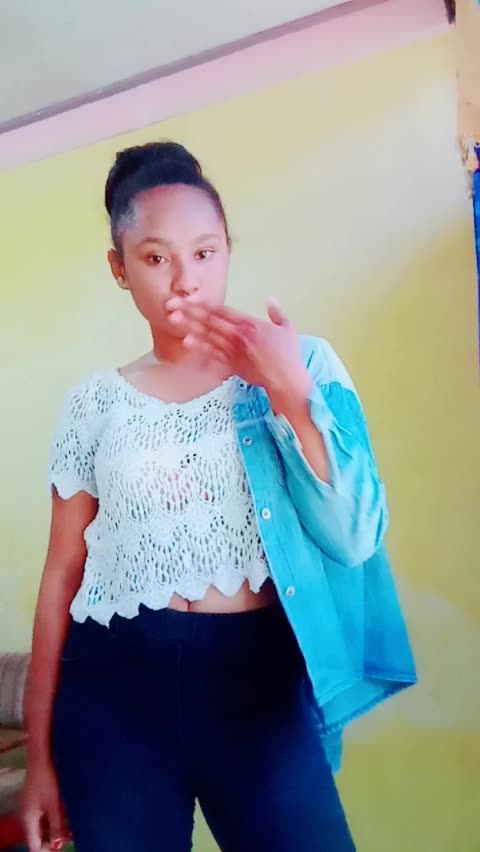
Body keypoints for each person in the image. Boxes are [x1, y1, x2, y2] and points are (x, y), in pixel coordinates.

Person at [21, 141, 416, 852]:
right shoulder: (92, 405)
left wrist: (288, 391)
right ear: (119, 268)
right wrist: (41, 760)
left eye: (204, 253)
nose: (184, 280)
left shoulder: (303, 363)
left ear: (227, 249)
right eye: (155, 258)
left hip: (258, 685)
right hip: (114, 688)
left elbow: (355, 534)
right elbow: (61, 577)